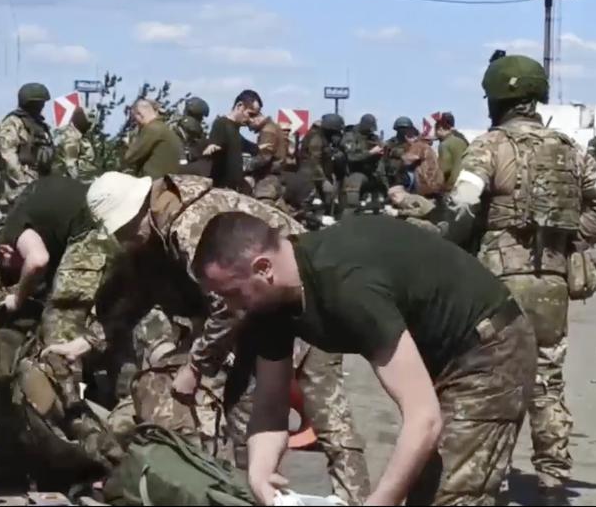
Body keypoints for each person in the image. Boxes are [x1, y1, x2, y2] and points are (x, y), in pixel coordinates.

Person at [193, 212, 537, 506]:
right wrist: (261, 472)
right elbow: (270, 405)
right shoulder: (268, 305)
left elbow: (423, 418)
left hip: (489, 344)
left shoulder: (344, 284)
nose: (232, 308)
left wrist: (379, 502)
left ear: (263, 268)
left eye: (232, 293)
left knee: (449, 497)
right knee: (425, 489)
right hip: (436, 353)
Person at [85, 172, 371, 505]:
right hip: (262, 311)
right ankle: (259, 495)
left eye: (124, 230)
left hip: (304, 298)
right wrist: (90, 341)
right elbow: (137, 295)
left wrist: (195, 367)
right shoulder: (160, 228)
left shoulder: (190, 223)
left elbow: (225, 306)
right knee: (246, 410)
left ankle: (358, 500)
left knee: (327, 413)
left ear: (138, 212)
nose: (125, 239)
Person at [443, 54, 596, 505]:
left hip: (496, 283)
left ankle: (490, 477)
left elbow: (464, 203)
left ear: (497, 99)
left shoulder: (489, 146)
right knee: (547, 378)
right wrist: (573, 239)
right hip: (551, 281)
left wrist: (451, 246)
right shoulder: (569, 148)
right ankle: (552, 479)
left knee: (491, 380)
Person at [0, 175, 124, 470]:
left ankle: (98, 455)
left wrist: (16, 297)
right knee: (114, 334)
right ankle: (126, 433)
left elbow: (37, 260)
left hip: (93, 239)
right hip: (121, 228)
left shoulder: (13, 227)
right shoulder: (46, 197)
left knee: (57, 352)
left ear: (5, 251)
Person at [0, 82, 55, 210]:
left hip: (40, 184)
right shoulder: (13, 123)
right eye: (38, 103)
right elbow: (7, 155)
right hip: (16, 189)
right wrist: (23, 182)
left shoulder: (41, 127)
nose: (41, 106)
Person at [208, 90, 262, 192]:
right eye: (250, 114)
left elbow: (251, 147)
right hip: (222, 191)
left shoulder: (235, 130)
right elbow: (214, 149)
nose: (251, 120)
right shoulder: (221, 125)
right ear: (239, 106)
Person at [122, 98, 182, 179]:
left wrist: (128, 143)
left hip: (153, 183)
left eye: (134, 118)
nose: (135, 122)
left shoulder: (151, 129)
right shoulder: (164, 129)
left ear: (140, 114)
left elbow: (130, 157)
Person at [340, 113, 383, 215]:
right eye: (369, 129)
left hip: (371, 172)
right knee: (352, 195)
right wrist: (371, 152)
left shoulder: (373, 137)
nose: (370, 131)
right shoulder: (350, 137)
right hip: (353, 171)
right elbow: (351, 157)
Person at [247, 114, 290, 210]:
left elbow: (264, 157)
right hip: (275, 177)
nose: (249, 129)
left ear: (255, 118)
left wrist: (246, 167)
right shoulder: (274, 127)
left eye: (249, 123)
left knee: (264, 213)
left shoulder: (268, 130)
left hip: (267, 179)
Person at [55, 106, 97, 182]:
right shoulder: (71, 137)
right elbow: (71, 166)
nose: (90, 124)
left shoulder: (82, 136)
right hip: (75, 182)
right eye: (88, 122)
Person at [435, 112, 469, 190]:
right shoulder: (461, 140)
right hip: (466, 183)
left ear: (440, 128)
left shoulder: (444, 144)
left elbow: (444, 168)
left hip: (452, 186)